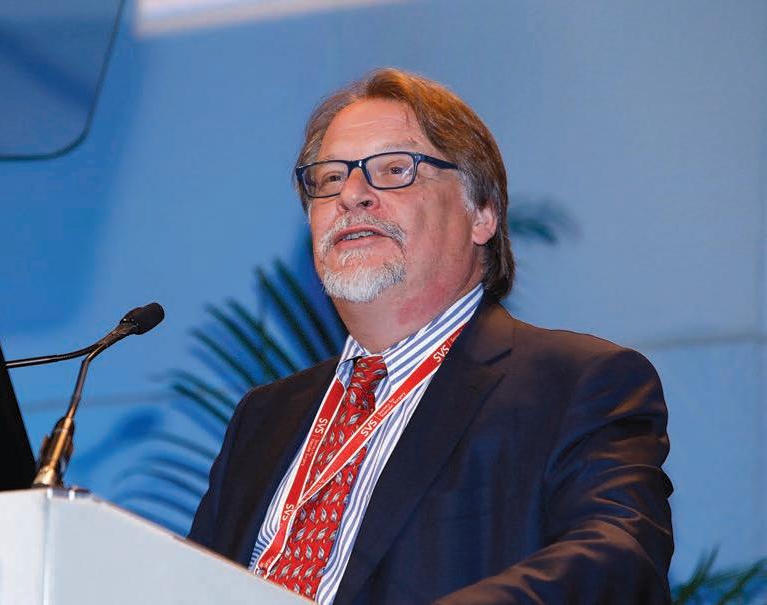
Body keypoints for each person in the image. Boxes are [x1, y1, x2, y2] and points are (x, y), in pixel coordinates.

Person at [187, 68, 673, 604]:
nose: (352, 194)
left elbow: (619, 562)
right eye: (329, 179)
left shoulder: (574, 384)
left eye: (394, 170)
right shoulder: (264, 417)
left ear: (482, 214)